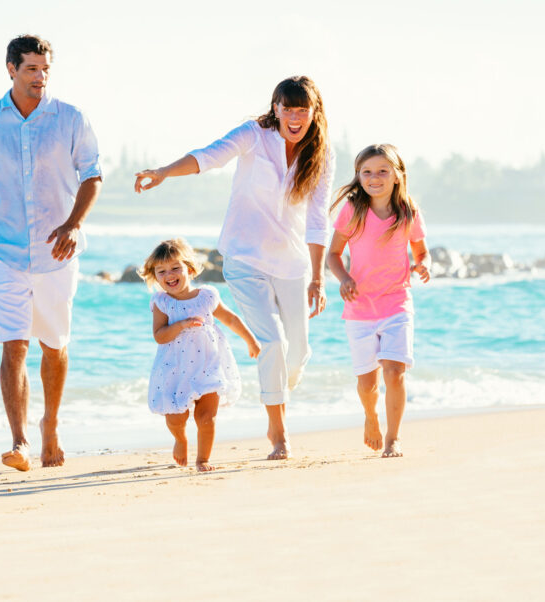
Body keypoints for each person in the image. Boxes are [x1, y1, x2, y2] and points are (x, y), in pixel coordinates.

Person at [134, 76, 334, 460]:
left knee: (298, 351)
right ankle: (278, 431)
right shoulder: (253, 135)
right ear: (275, 109)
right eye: (286, 108)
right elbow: (208, 156)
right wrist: (163, 172)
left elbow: (317, 219)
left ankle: (281, 388)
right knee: (272, 343)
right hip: (244, 258)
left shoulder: (321, 152)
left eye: (302, 110)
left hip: (292, 263)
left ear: (314, 112)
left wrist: (318, 276)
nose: (294, 117)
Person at [0, 34, 103, 471]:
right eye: (31, 69)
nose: (40, 77)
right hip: (1, 249)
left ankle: (51, 425)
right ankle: (19, 443)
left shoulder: (70, 118)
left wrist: (74, 223)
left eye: (45, 70)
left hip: (57, 251)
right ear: (11, 69)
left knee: (54, 345)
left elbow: (93, 176)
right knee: (14, 345)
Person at [325, 144, 430, 458]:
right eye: (367, 171)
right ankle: (371, 417)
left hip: (397, 303)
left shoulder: (408, 210)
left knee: (395, 371)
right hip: (359, 309)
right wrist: (344, 279)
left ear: (397, 176)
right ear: (358, 176)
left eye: (383, 171)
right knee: (367, 384)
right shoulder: (352, 210)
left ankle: (393, 439)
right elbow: (333, 254)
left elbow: (421, 250)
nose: (375, 177)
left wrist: (424, 264)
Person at [140, 238, 260, 472]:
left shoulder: (207, 296)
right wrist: (182, 325)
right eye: (161, 271)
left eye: (176, 268)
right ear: (155, 277)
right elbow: (160, 335)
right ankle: (181, 439)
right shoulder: (161, 302)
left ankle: (203, 459)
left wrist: (250, 339)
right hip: (175, 368)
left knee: (206, 418)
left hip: (209, 364)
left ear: (190, 270)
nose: (169, 275)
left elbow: (231, 319)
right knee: (176, 417)